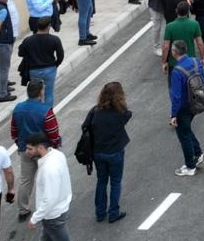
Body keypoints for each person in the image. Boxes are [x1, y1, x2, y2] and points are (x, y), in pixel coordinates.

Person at [79, 81, 132, 224]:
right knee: (115, 182)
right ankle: (113, 212)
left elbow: (85, 126)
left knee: (101, 181)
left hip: (98, 152)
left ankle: (100, 212)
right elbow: (128, 114)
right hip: (115, 152)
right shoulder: (121, 113)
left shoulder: (95, 111)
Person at [10, 80, 60, 222]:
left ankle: (23, 210)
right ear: (41, 92)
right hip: (43, 151)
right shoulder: (46, 111)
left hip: (25, 150)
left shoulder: (18, 108)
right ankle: (50, 207)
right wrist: (54, 147)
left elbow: (14, 131)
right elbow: (53, 133)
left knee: (26, 181)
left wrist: (21, 145)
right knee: (49, 179)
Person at [168, 40, 204, 175]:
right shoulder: (196, 62)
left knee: (183, 135)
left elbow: (176, 97)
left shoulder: (177, 71)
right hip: (196, 102)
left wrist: (173, 115)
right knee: (186, 128)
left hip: (184, 107)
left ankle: (190, 167)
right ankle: (198, 153)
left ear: (174, 52)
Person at [24, 132, 71, 241]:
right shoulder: (57, 154)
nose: (27, 152)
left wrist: (35, 218)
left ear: (40, 148)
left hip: (53, 216)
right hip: (58, 209)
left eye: (30, 149)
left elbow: (50, 198)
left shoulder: (49, 168)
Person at [17, 18, 64, 108]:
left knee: (35, 93)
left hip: (34, 70)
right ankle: (47, 112)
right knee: (48, 93)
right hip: (50, 69)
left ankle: (36, 110)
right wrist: (55, 65)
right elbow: (60, 56)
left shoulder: (28, 40)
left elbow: (20, 53)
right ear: (49, 26)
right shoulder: (55, 39)